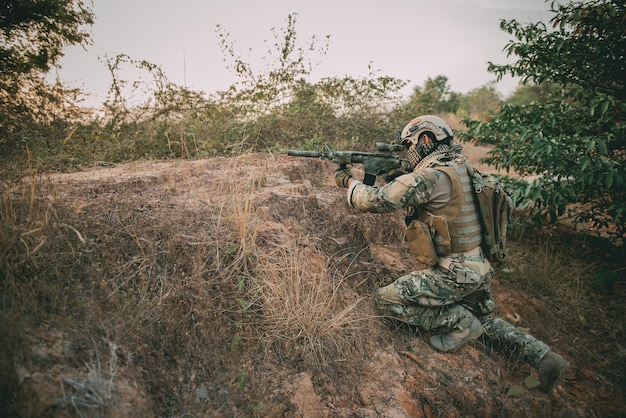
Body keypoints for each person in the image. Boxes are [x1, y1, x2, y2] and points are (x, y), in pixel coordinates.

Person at [334, 115, 569, 392]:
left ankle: (459, 322)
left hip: (453, 274)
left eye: (408, 144)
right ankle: (544, 357)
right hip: (479, 269)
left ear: (425, 140)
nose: (406, 152)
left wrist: (347, 181)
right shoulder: (462, 167)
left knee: (383, 301)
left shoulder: (430, 176)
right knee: (485, 322)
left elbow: (377, 200)